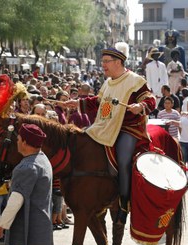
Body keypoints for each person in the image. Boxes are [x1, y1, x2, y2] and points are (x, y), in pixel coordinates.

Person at [65, 42, 156, 224]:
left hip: (128, 129)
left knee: (123, 161)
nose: (103, 65)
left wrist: (141, 106)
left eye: (107, 61)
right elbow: (98, 102)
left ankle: (124, 204)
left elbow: (150, 99)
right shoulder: (107, 83)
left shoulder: (135, 80)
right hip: (105, 126)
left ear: (118, 62)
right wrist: (77, 103)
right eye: (103, 61)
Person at [0, 123, 53, 245]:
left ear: (25, 143)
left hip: (28, 232)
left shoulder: (27, 167)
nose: (17, 142)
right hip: (41, 227)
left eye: (19, 139)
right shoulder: (43, 159)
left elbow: (16, 200)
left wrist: (1, 224)